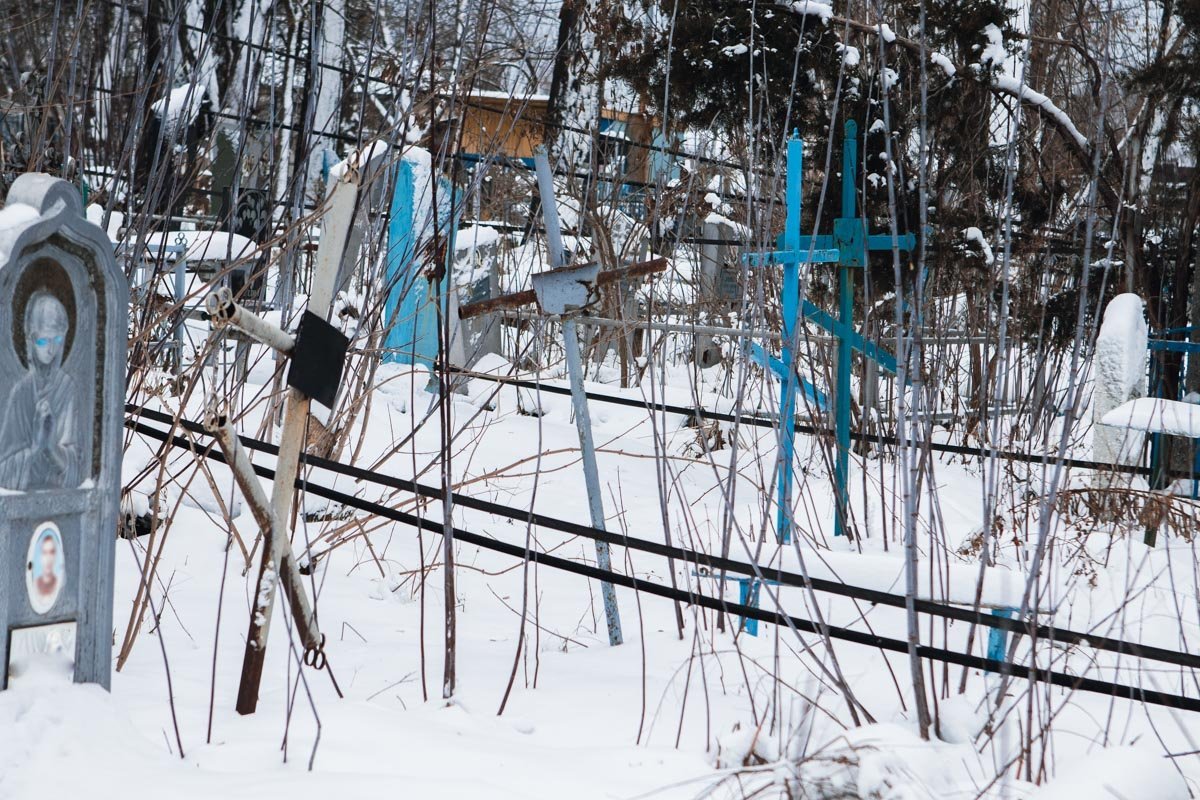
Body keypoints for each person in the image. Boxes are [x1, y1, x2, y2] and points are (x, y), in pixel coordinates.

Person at [0, 291, 79, 490]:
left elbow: (80, 468)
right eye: (43, 341)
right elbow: (3, 471)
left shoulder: (67, 388)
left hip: (61, 501)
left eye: (58, 340)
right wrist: (36, 448)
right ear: (31, 340)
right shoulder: (21, 392)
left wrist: (52, 447)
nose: (51, 349)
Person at [35, 532, 58, 601]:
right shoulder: (34, 586)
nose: (48, 558)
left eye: (51, 552)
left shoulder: (59, 585)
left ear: (55, 556)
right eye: (44, 552)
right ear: (40, 556)